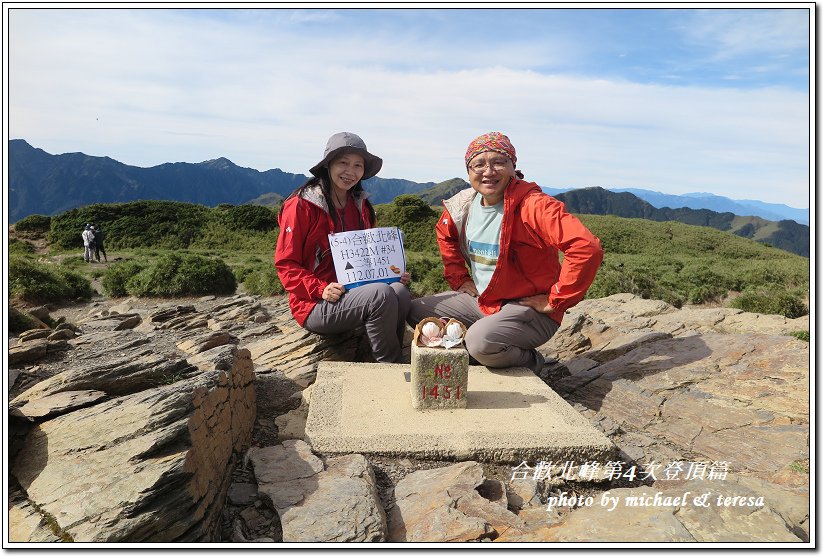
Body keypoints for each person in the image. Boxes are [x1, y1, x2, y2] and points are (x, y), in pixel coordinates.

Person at [407, 132, 604, 373]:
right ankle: (488, 336)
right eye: (478, 164)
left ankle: (532, 362)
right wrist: (460, 278)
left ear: (513, 166)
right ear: (468, 171)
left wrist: (556, 300)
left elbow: (586, 248)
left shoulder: (534, 205)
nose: (488, 171)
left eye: (498, 162)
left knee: (479, 343)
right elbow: (444, 233)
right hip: (484, 300)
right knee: (414, 310)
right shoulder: (464, 205)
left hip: (527, 306)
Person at [275, 132, 412, 363]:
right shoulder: (301, 205)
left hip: (353, 295)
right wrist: (320, 288)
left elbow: (368, 257)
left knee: (398, 292)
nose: (351, 172)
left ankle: (384, 354)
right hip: (315, 303)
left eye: (358, 165)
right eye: (343, 163)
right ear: (328, 164)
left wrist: (391, 273)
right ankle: (390, 367)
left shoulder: (361, 205)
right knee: (381, 295)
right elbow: (285, 264)